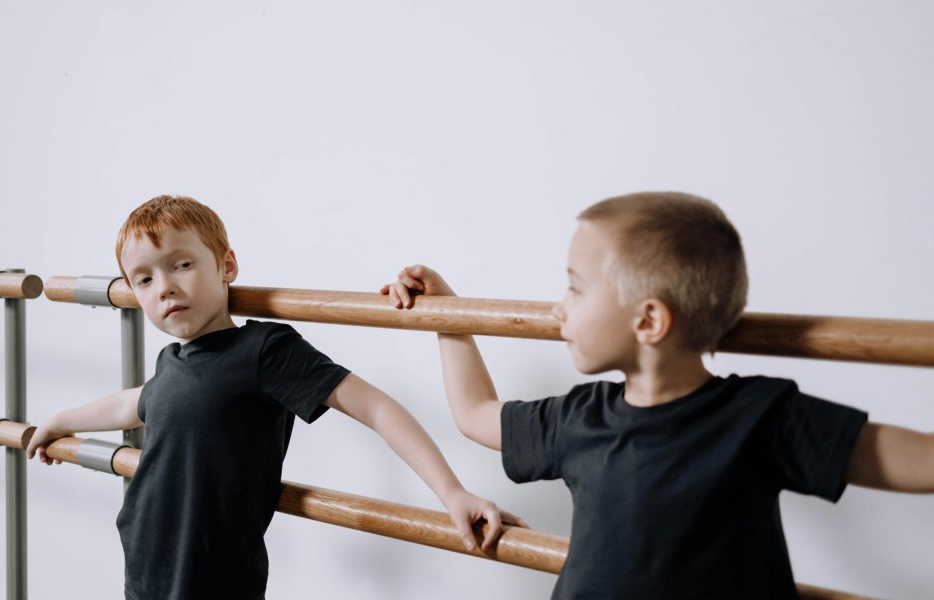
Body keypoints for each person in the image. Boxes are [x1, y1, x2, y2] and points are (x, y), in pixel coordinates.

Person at [381, 191, 934, 599]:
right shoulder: (578, 417)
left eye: (575, 287)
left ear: (648, 320)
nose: (558, 308)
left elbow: (918, 461)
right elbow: (475, 413)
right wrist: (447, 316)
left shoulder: (762, 419)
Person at [26, 195, 517, 600]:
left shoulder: (263, 350)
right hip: (145, 570)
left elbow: (377, 408)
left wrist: (452, 492)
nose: (166, 288)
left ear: (226, 265)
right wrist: (60, 421)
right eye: (146, 279)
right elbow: (131, 403)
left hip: (214, 581)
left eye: (182, 264)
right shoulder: (172, 362)